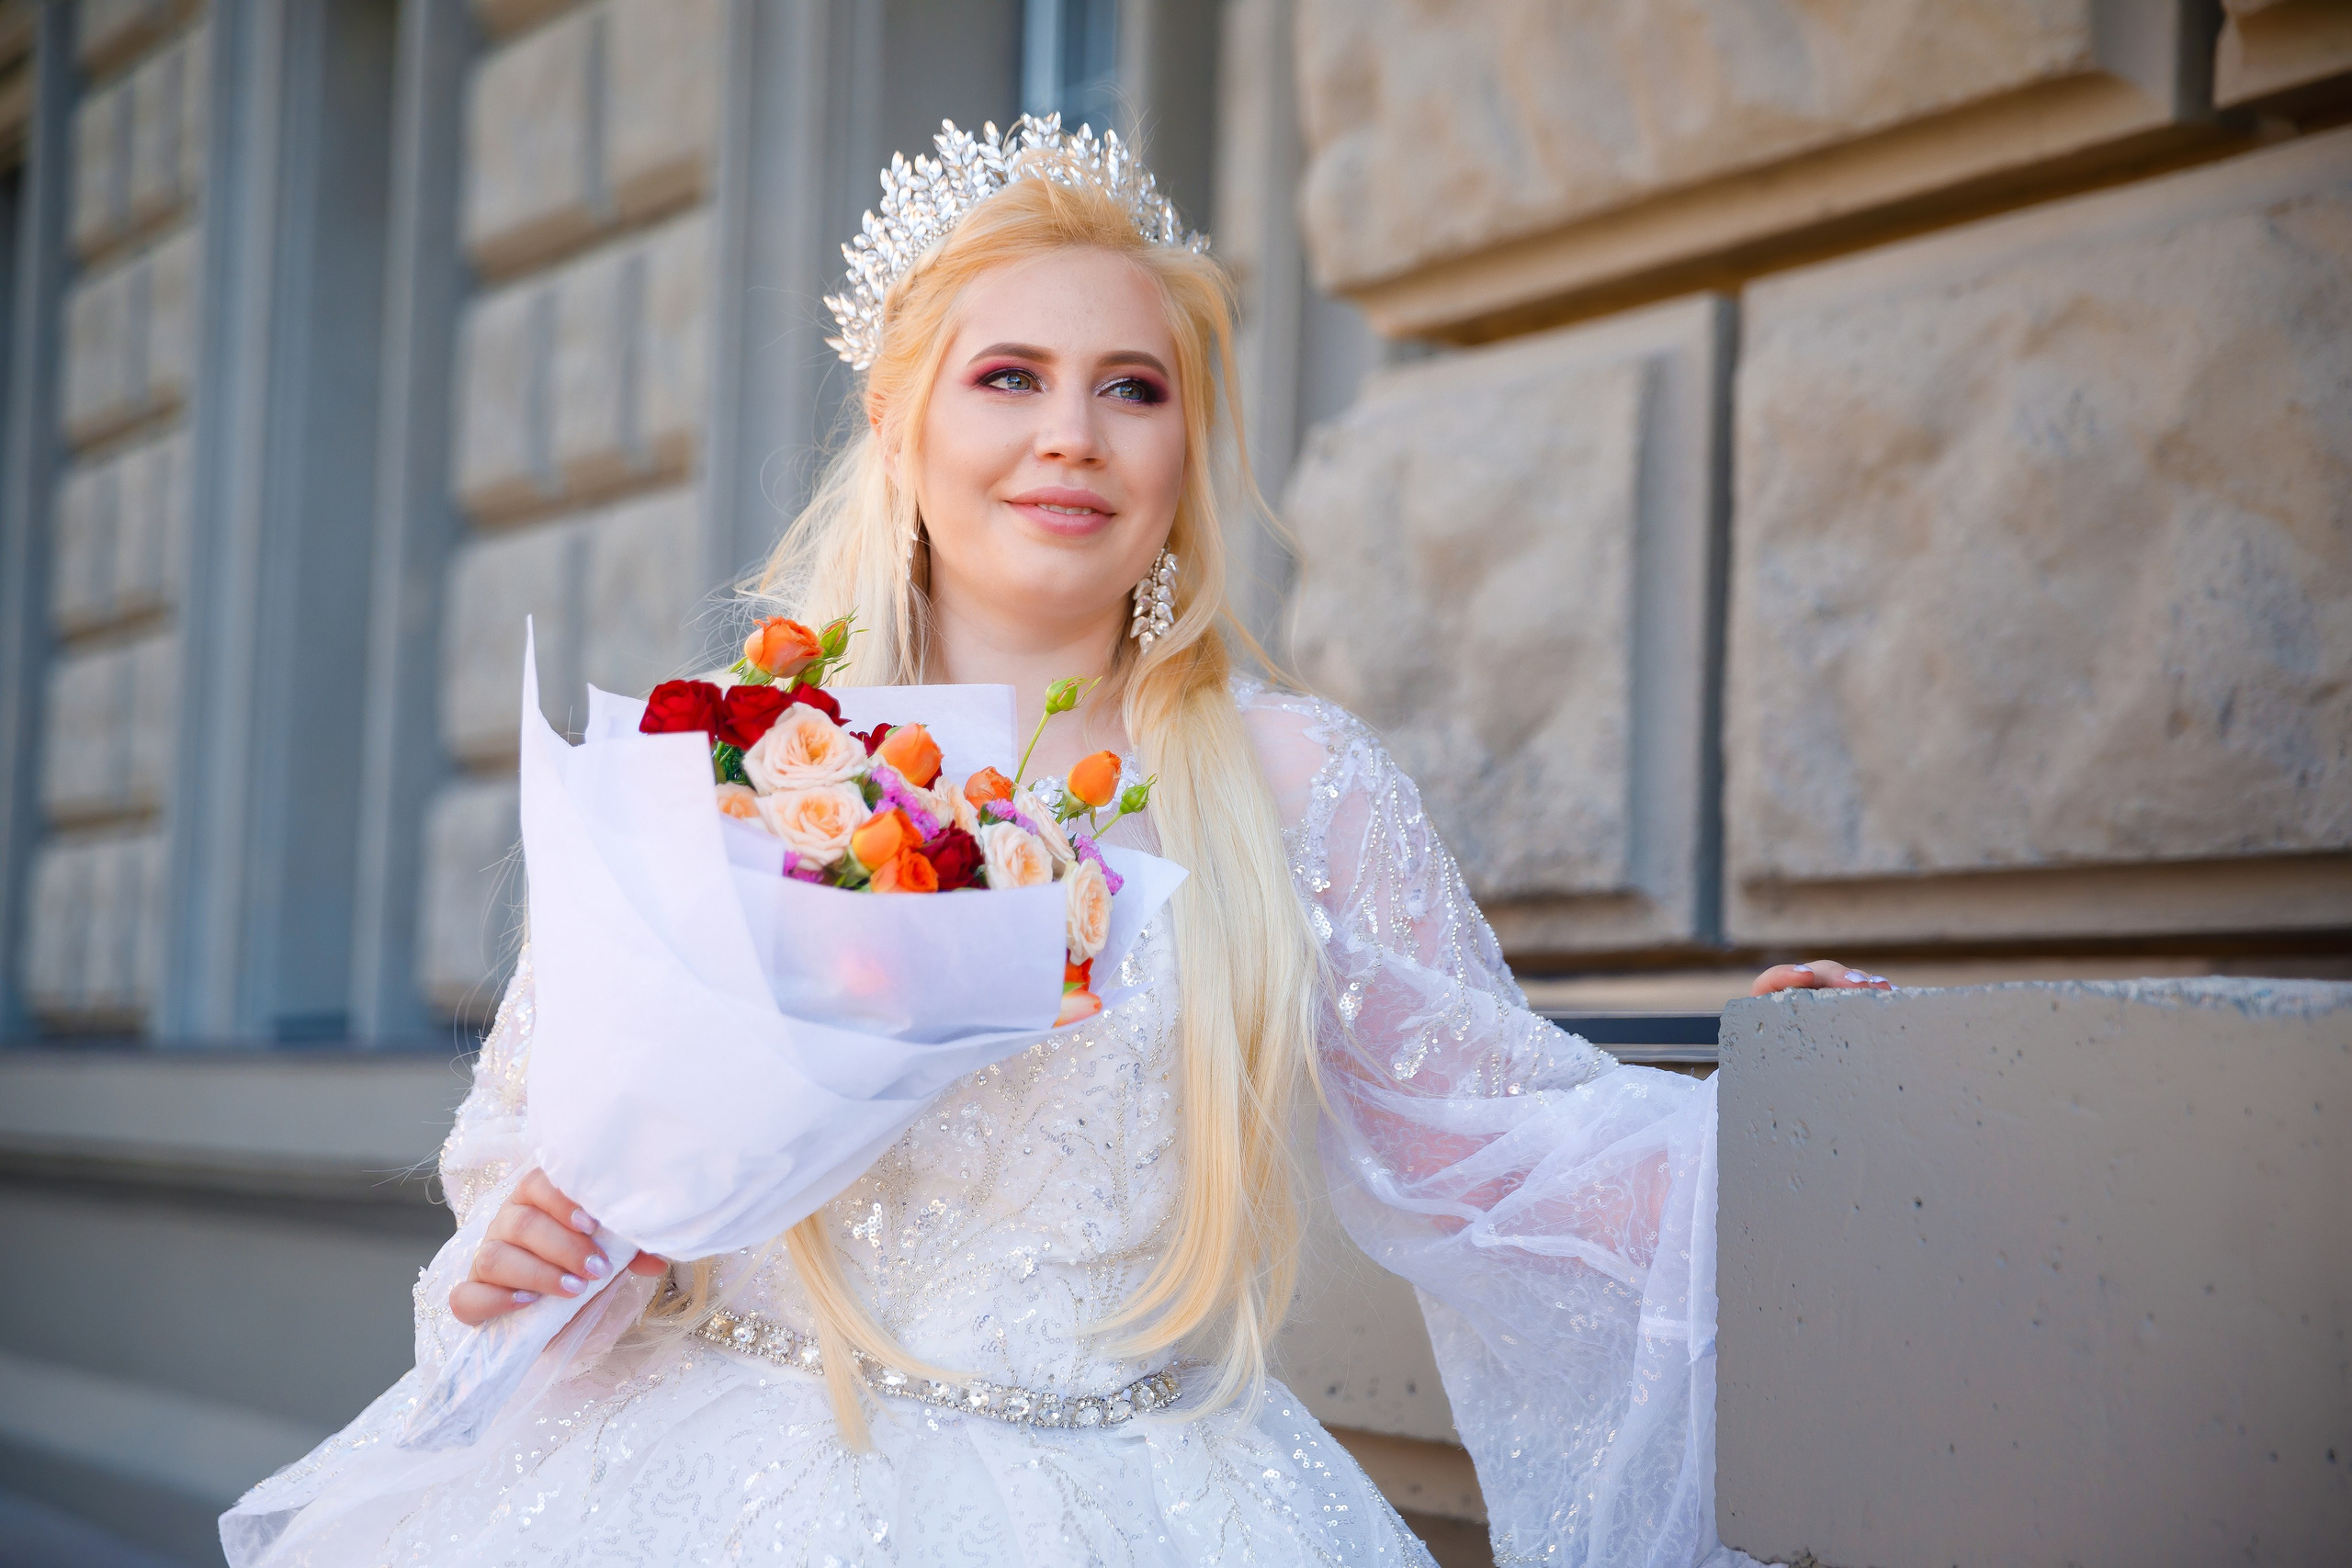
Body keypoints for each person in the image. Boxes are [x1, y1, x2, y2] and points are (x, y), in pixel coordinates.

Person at [222, 116, 1889, 1567]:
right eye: (1008, 377)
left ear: (1183, 448)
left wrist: (1778, 1120)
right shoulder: (737, 756)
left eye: (1132, 389)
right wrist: (540, 1243)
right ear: (898, 420)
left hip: (1158, 1496)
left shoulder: (1292, 781)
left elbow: (1494, 1142)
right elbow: (544, 1165)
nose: (1072, 434)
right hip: (716, 1478)